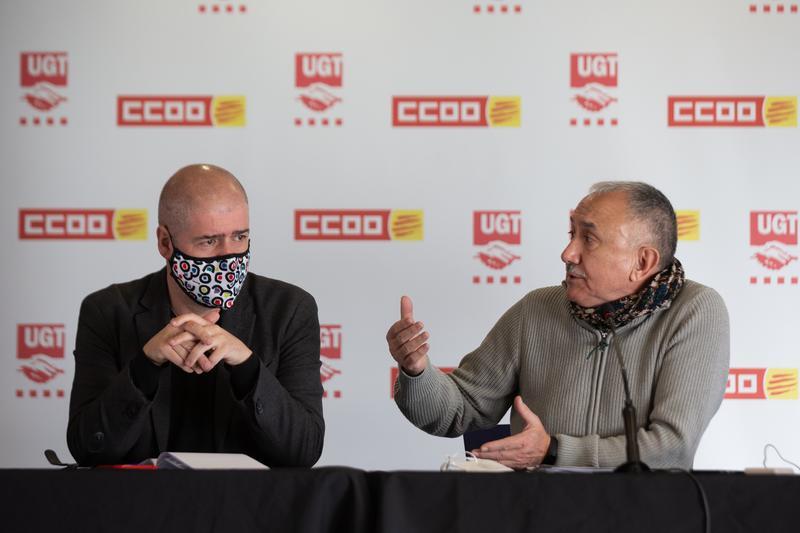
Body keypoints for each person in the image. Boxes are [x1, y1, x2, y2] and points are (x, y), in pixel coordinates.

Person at [387, 182, 729, 470]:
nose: (568, 253)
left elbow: (671, 447)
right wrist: (417, 371)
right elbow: (460, 411)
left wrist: (553, 450)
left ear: (642, 262)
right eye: (571, 234)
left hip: (640, 514)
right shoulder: (536, 309)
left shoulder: (694, 310)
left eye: (588, 239)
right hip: (538, 512)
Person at [67, 164, 324, 467]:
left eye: (239, 237)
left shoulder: (288, 310)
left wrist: (248, 367)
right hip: (142, 496)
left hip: (246, 497)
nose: (228, 257)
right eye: (208, 241)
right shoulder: (108, 312)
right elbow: (88, 448)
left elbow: (303, 450)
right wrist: (144, 367)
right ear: (165, 242)